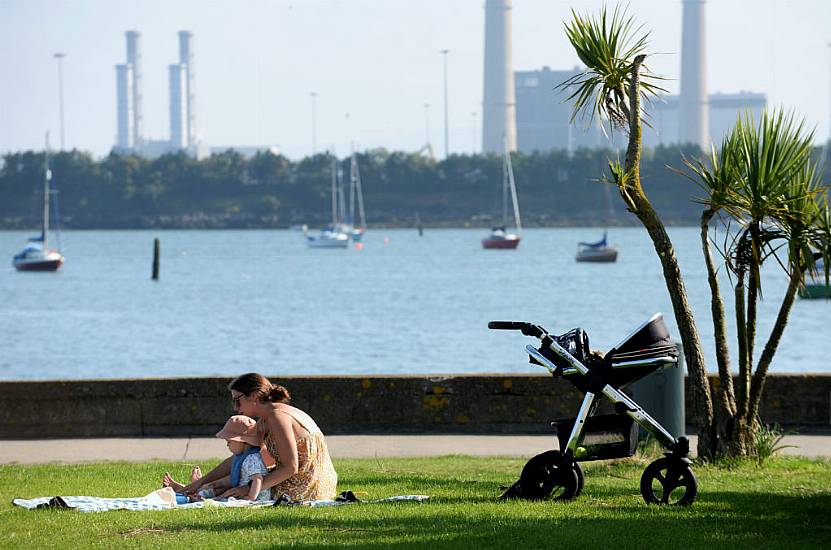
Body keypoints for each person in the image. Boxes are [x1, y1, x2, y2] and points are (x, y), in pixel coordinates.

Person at [171, 373, 338, 502]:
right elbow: (241, 457)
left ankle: (197, 492)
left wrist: (250, 489)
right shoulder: (267, 419)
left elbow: (290, 468)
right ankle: (197, 488)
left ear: (254, 396)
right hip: (316, 485)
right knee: (240, 477)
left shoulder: (277, 417)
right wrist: (202, 481)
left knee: (236, 488)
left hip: (305, 490)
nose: (236, 408)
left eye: (237, 401)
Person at [164, 415, 271, 502]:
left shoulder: (252, 459)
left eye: (229, 441)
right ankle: (192, 489)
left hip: (255, 496)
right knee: (216, 487)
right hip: (242, 490)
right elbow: (236, 477)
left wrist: (251, 498)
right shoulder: (243, 457)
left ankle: (198, 496)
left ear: (243, 441)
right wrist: (214, 483)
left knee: (222, 496)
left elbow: (258, 479)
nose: (227, 445)